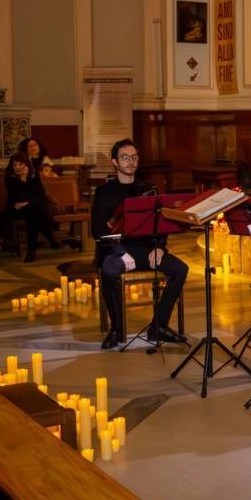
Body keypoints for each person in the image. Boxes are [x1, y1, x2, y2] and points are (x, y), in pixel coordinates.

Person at [91, 139, 189, 349]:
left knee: (180, 269)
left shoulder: (148, 189)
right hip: (117, 252)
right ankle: (116, 329)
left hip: (146, 250)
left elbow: (161, 222)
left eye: (134, 157)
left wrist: (159, 247)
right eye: (125, 158)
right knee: (108, 271)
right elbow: (97, 230)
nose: (130, 162)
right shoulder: (103, 192)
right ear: (115, 162)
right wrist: (120, 252)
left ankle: (158, 326)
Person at [0, 152, 57, 262]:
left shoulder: (34, 176)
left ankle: (31, 252)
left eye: (20, 165)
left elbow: (41, 194)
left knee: (33, 214)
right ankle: (48, 234)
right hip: (15, 208)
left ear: (26, 165)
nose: (17, 168)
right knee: (36, 211)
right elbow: (16, 197)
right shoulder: (9, 178)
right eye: (15, 165)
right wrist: (22, 180)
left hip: (31, 207)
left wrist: (27, 202)